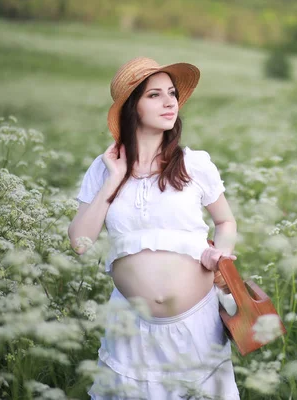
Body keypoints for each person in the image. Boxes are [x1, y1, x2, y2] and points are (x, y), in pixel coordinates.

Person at [68, 57, 240, 399]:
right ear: (132, 107)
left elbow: (225, 221)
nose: (169, 102)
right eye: (155, 95)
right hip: (132, 329)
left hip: (196, 324)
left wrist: (221, 252)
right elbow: (80, 241)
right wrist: (114, 180)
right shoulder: (104, 170)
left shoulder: (194, 163)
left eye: (172, 93)